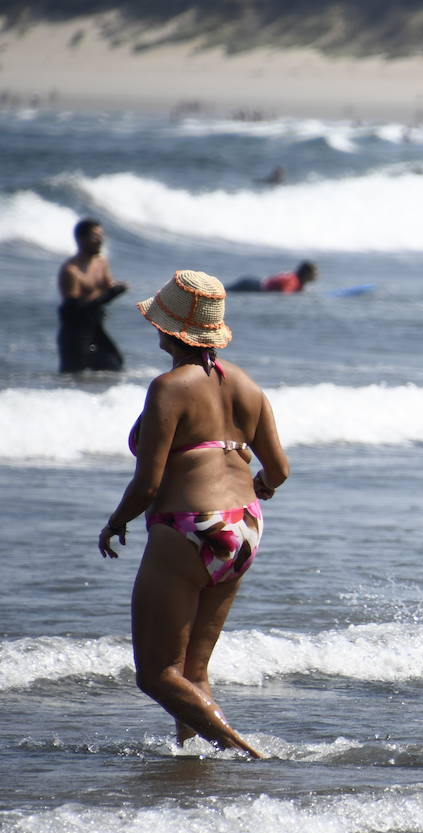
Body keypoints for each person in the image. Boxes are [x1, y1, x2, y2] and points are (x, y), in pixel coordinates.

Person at [98, 270, 289, 758]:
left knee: (157, 674)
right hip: (243, 526)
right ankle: (191, 761)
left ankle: (244, 751)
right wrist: (258, 486)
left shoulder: (169, 387)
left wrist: (116, 520)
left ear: (169, 330)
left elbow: (149, 482)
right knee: (192, 671)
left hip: (187, 527)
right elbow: (280, 469)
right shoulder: (247, 386)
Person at [57, 218, 128, 373]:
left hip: (95, 324)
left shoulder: (100, 262)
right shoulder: (71, 270)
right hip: (75, 330)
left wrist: (119, 288)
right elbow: (74, 308)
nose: (100, 240)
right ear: (81, 239)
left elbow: (108, 286)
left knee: (114, 363)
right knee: (74, 371)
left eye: (101, 236)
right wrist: (109, 295)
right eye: (95, 236)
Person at [226, 261, 318, 294]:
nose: (317, 276)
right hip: (251, 285)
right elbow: (283, 295)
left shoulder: (296, 280)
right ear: (307, 274)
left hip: (254, 283)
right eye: (314, 273)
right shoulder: (293, 281)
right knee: (223, 291)